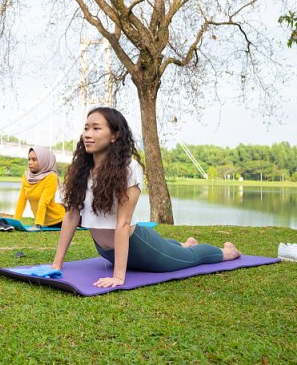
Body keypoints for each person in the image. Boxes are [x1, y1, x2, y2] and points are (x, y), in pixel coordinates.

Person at [51, 107, 241, 288]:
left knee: (191, 258)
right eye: (86, 128)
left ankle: (227, 252)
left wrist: (118, 276)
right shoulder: (80, 170)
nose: (88, 134)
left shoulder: (128, 168)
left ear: (114, 136)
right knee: (175, 250)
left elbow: (123, 222)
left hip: (140, 248)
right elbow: (71, 216)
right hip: (106, 251)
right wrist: (56, 265)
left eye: (96, 128)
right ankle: (183, 244)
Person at [14, 146, 65, 228]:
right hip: (43, 222)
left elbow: (43, 202)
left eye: (34, 159)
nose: (30, 162)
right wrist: (15, 222)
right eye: (29, 159)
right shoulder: (26, 176)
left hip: (59, 219)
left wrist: (38, 225)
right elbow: (22, 200)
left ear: (43, 161)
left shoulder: (51, 176)